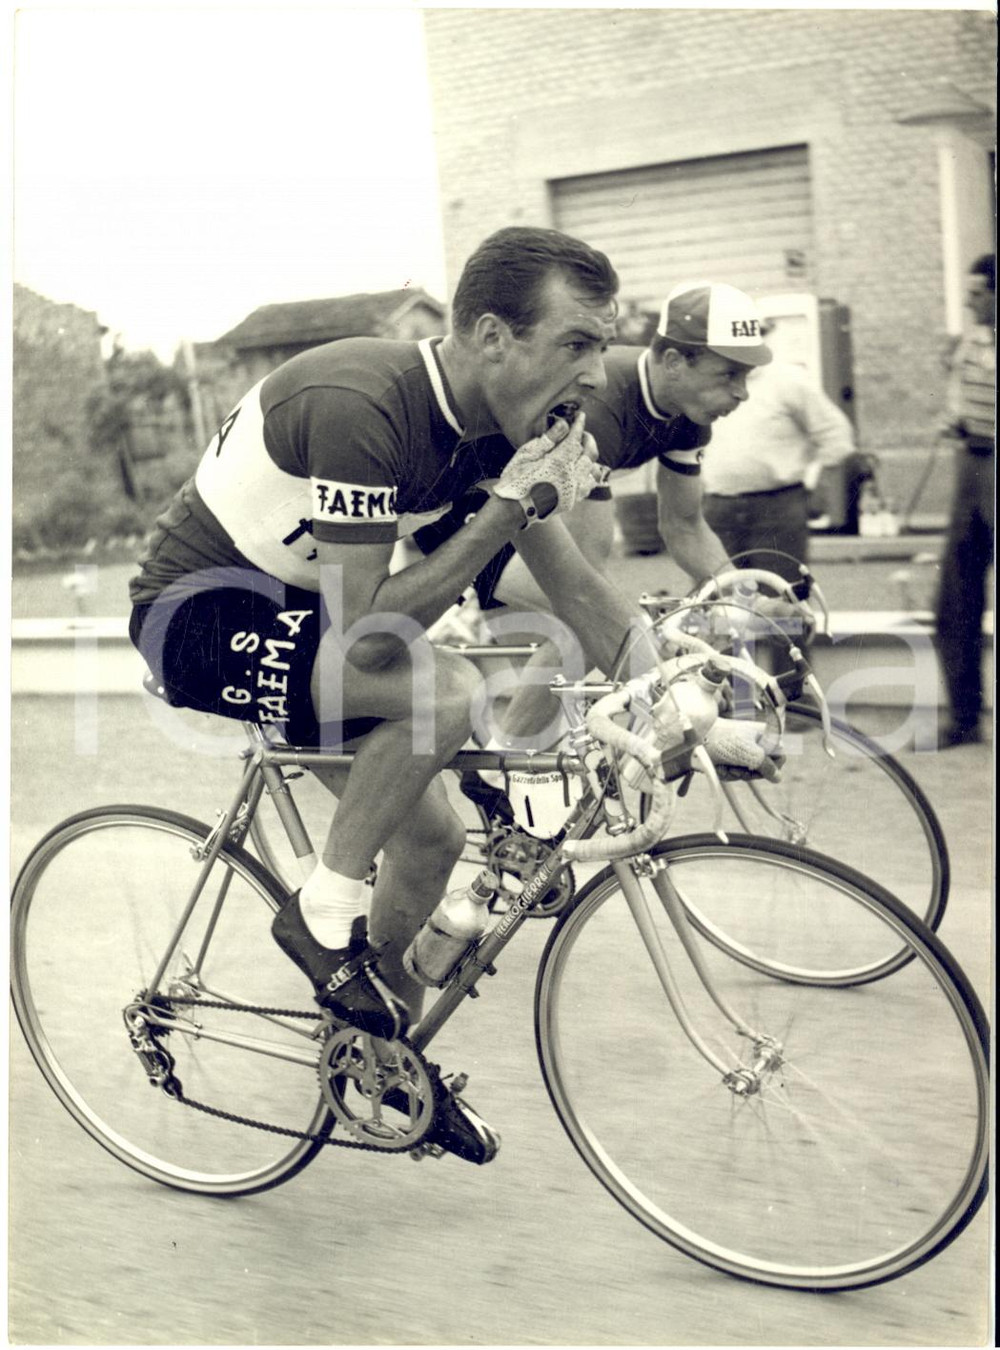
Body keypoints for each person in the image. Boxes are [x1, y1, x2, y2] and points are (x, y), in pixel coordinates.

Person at [129, 225, 644, 1163]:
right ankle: (322, 916)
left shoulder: (500, 427)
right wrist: (501, 514)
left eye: (605, 346)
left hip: (305, 621)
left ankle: (372, 1059)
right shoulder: (364, 402)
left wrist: (673, 691)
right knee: (439, 689)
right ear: (493, 337)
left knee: (435, 839)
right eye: (578, 343)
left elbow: (574, 590)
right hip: (195, 617)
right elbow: (370, 631)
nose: (600, 374)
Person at [415, 280, 775, 746]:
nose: (742, 393)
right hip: (468, 510)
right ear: (672, 362)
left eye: (746, 377)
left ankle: (518, 755)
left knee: (606, 624)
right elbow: (584, 570)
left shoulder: (690, 417)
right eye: (729, 375)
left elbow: (684, 526)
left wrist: (739, 597)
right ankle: (514, 761)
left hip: (528, 508)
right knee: (590, 621)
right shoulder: (600, 411)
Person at [698, 327, 857, 582]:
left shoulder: (788, 380)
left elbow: (835, 432)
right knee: (718, 601)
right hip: (717, 508)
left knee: (781, 601)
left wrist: (821, 484)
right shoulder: (705, 382)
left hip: (777, 508)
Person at [934, 252, 995, 748]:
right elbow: (959, 395)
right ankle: (963, 717)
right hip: (972, 468)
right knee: (955, 597)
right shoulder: (972, 341)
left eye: (979, 293)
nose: (970, 300)